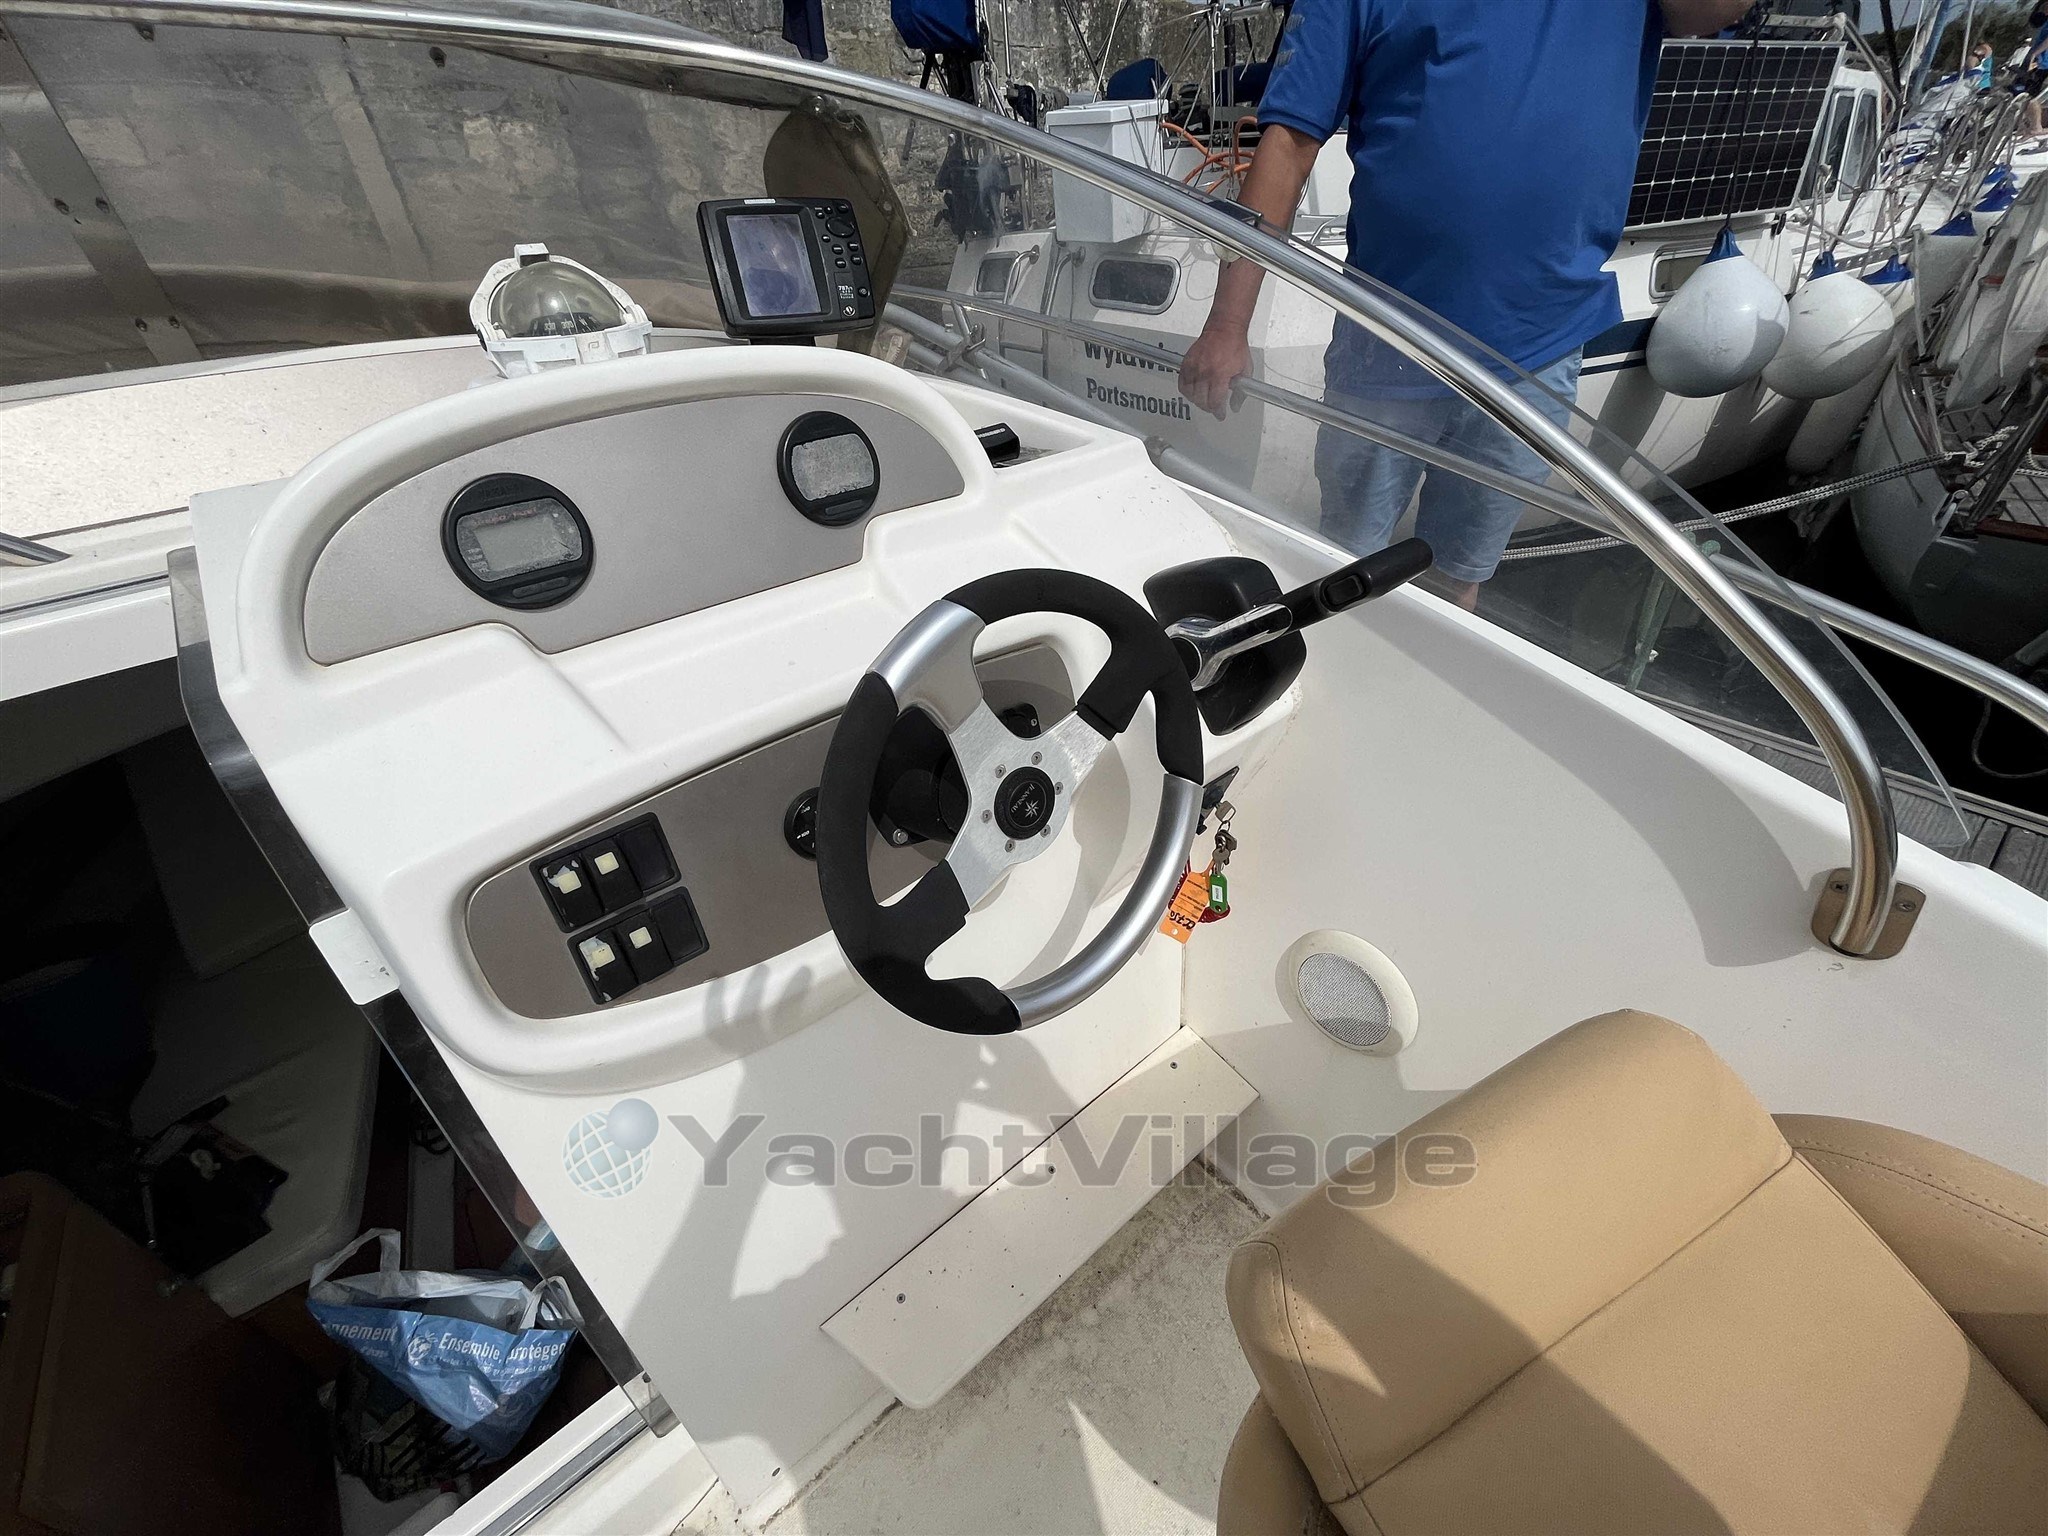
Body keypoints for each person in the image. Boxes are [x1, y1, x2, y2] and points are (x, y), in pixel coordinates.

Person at [1178, 0, 1761, 608]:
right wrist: (1226, 325)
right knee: (1347, 563)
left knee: (1460, 572)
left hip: (1539, 342)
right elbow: (1289, 144)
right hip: (1388, 336)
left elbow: (1710, 11)